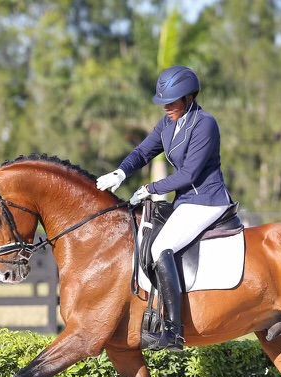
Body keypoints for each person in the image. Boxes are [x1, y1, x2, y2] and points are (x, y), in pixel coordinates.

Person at [96, 65, 233, 352]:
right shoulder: (168, 124)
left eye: (172, 102)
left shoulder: (205, 124)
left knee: (161, 247)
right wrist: (121, 172)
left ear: (189, 97)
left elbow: (189, 174)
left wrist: (151, 188)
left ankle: (174, 330)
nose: (167, 107)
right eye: (164, 103)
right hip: (185, 201)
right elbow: (143, 152)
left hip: (207, 200)